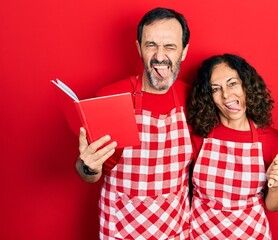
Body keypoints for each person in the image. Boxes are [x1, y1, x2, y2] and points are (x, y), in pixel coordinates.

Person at [75, 8, 192, 240]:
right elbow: (87, 173)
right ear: (139, 48)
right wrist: (88, 166)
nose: (160, 56)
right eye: (151, 45)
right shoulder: (110, 98)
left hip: (175, 230)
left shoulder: (192, 98)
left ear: (184, 51)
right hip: (121, 229)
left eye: (170, 46)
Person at [186, 53, 278, 239]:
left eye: (232, 83)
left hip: (251, 234)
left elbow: (275, 205)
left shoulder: (270, 139)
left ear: (246, 85)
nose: (226, 95)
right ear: (209, 97)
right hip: (201, 234)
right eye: (215, 89)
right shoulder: (198, 136)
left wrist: (275, 186)